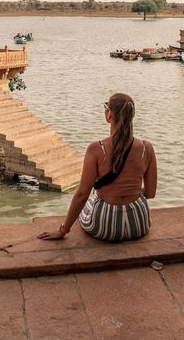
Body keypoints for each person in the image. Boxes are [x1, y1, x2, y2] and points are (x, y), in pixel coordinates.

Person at [38, 92, 157, 242]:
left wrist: (63, 230)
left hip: (105, 226)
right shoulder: (147, 148)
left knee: (90, 201)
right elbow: (151, 193)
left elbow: (82, 195)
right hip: (138, 223)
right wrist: (129, 193)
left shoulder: (96, 149)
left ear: (109, 115)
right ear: (132, 116)